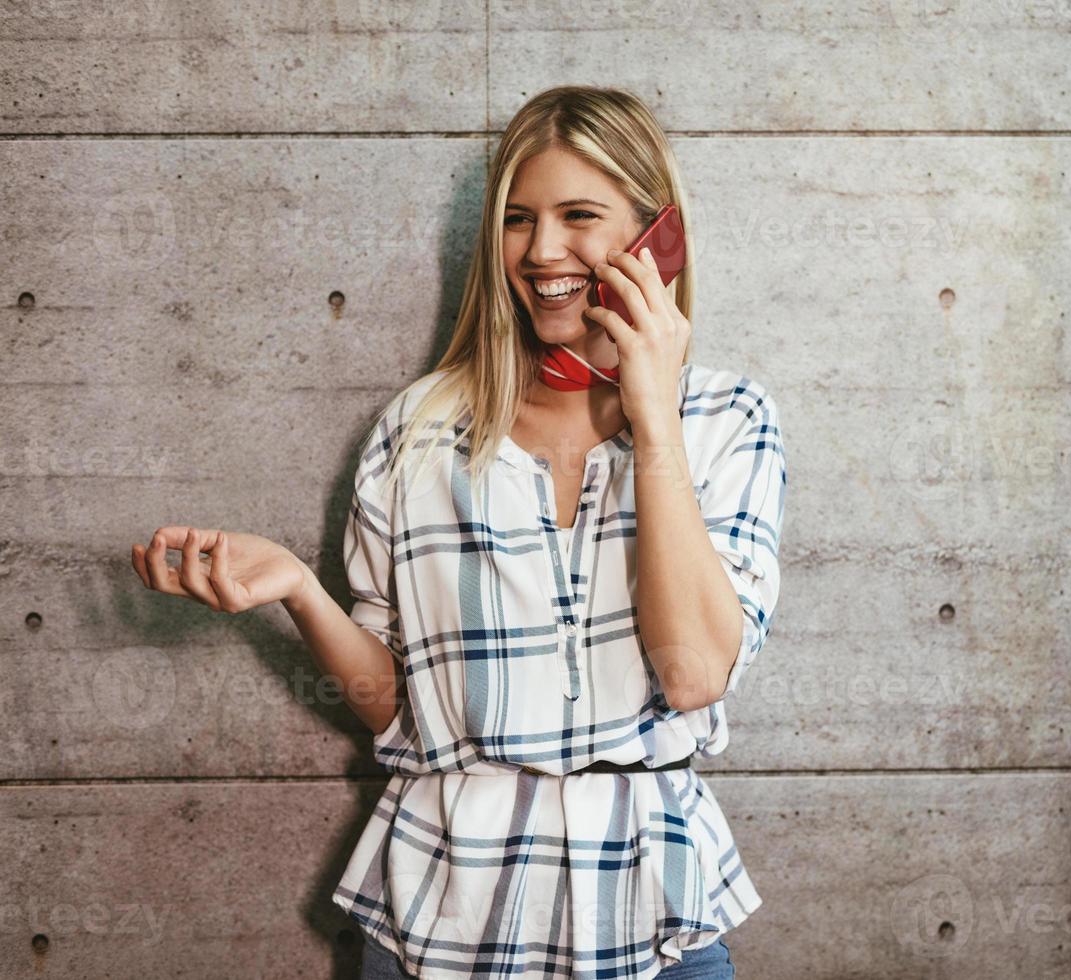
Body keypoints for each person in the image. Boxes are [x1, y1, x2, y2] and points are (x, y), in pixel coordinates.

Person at [128, 85, 786, 980]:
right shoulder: (418, 429)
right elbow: (397, 711)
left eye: (579, 215)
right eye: (518, 220)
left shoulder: (728, 419)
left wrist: (653, 417)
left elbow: (695, 673)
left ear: (653, 233)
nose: (542, 251)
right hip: (439, 917)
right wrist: (294, 586)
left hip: (652, 915)